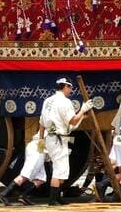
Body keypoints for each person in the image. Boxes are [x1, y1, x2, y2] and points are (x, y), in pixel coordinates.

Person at [39, 77, 93, 205]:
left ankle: (57, 197)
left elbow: (41, 122)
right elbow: (72, 121)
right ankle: (53, 199)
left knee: (61, 169)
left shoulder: (48, 101)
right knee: (58, 170)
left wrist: (41, 142)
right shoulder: (65, 102)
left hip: (49, 137)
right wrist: (83, 109)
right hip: (58, 138)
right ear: (65, 87)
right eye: (70, 88)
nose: (71, 91)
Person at [0, 137, 48, 206]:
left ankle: (24, 196)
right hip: (38, 149)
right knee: (25, 174)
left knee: (41, 178)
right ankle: (3, 194)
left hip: (41, 150)